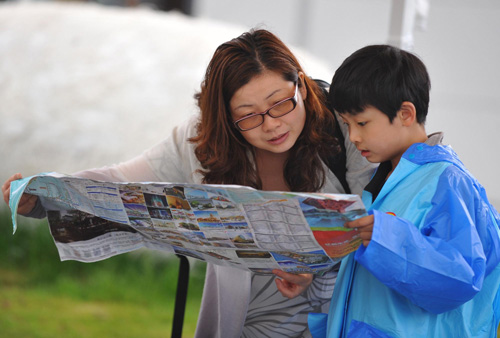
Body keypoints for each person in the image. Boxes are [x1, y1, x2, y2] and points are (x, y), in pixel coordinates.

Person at [1, 29, 376, 338]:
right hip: (247, 318)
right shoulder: (202, 142)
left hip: (336, 312)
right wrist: (41, 194)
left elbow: (379, 221)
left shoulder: (342, 127)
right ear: (225, 119)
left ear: (301, 86)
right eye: (248, 116)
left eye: (281, 103)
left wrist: (317, 268)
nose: (272, 124)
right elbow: (120, 183)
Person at [304, 45, 500, 337]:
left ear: (406, 113)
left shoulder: (448, 180)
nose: (354, 136)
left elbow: (459, 278)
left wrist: (386, 237)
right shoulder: (386, 180)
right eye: (347, 124)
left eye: (362, 123)